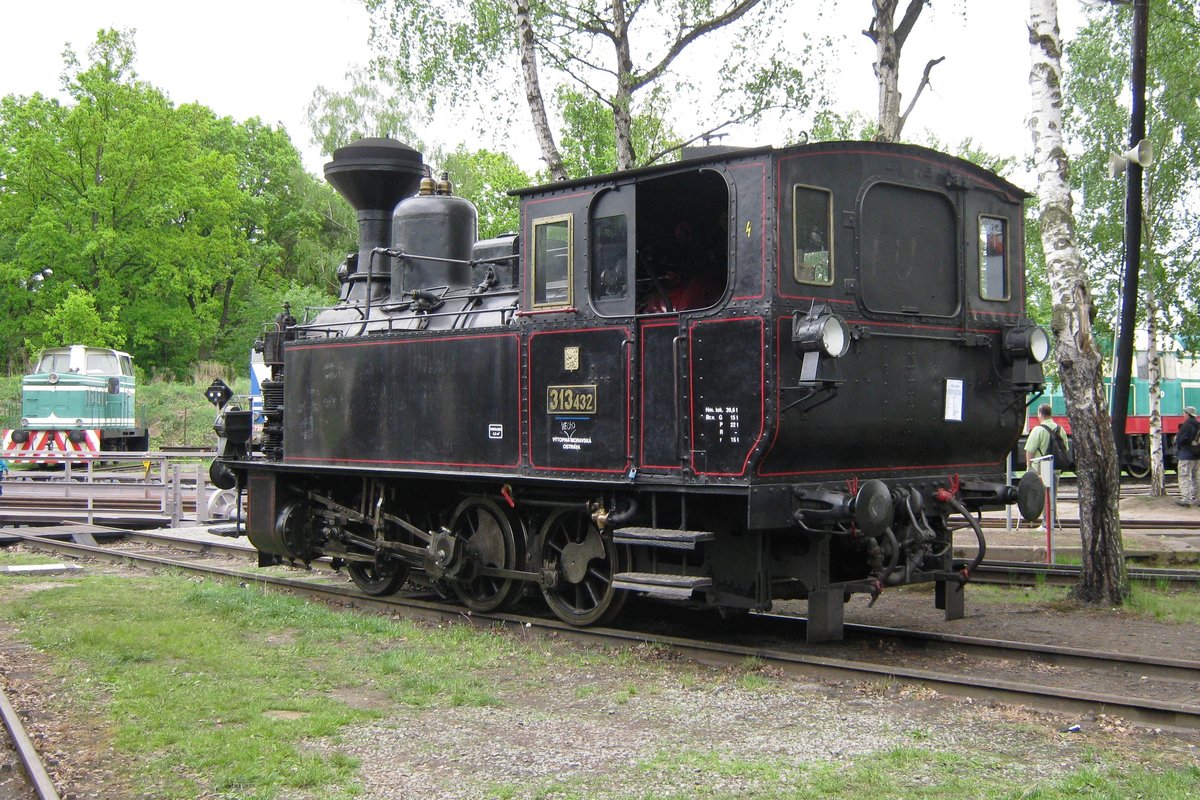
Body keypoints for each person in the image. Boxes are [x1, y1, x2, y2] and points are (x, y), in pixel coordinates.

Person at [1025, 403, 1064, 469]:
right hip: (1056, 468)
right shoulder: (1061, 429)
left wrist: (1029, 467)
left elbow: (1030, 451)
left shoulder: (1037, 430)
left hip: (1040, 469)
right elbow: (1065, 449)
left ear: (1040, 414)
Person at [1175, 406, 1200, 507]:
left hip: (1186, 454)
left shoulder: (1187, 425)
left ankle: (1186, 499)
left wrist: (1177, 442)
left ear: (1188, 414)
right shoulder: (1198, 425)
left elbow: (1181, 439)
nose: (1183, 415)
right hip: (1197, 455)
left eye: (1184, 413)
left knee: (1185, 476)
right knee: (1196, 477)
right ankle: (1198, 499)